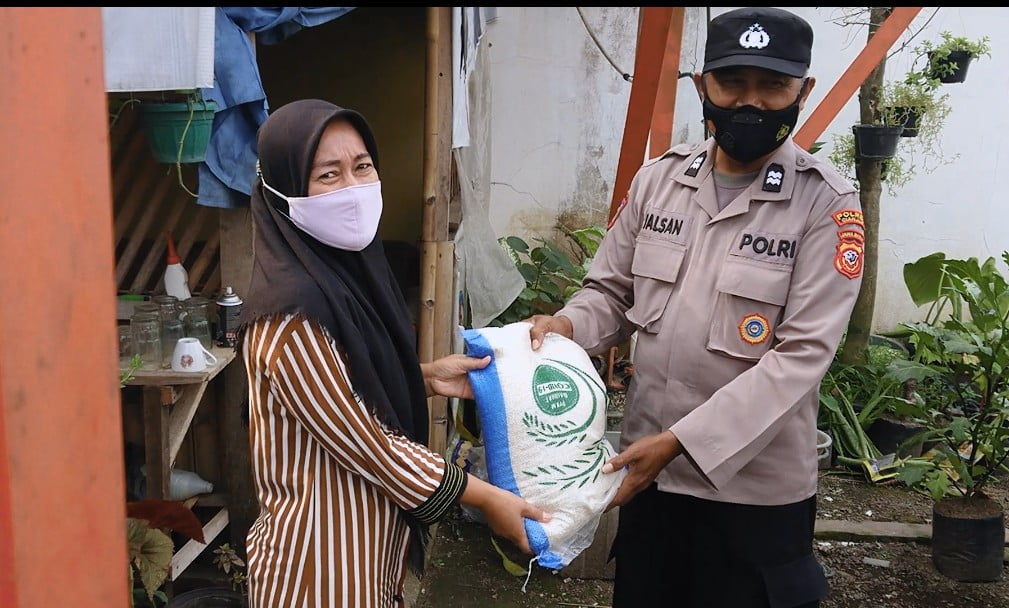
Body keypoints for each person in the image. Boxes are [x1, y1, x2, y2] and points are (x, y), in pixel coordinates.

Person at [527, 7, 864, 607]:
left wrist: (681, 441)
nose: (750, 103)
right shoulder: (659, 182)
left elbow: (800, 356)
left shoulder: (825, 206)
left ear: (802, 92)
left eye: (773, 86)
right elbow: (610, 292)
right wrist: (565, 326)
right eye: (732, 83)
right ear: (702, 84)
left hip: (754, 497)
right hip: (648, 480)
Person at [238, 98, 549, 608]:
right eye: (328, 175)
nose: (354, 189)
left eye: (362, 167)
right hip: (320, 571)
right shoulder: (291, 316)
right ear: (284, 189)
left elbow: (342, 386)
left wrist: (422, 376)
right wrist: (489, 498)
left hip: (371, 555)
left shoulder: (344, 280)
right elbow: (373, 448)